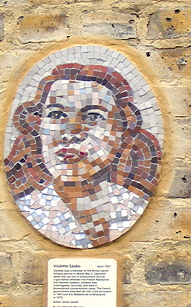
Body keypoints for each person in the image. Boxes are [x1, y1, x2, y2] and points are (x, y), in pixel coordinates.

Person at [5, 63, 162, 248]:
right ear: (38, 126)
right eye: (56, 114)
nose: (71, 132)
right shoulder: (31, 209)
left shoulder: (134, 203)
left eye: (93, 116)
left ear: (121, 129)